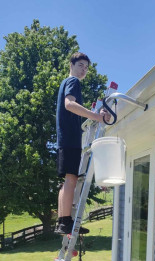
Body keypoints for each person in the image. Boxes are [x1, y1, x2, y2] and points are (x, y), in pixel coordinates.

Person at [55, 52, 110, 235]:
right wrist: (96, 116)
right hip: (70, 138)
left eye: (86, 67)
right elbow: (69, 104)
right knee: (71, 179)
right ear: (71, 65)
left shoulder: (65, 82)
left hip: (65, 138)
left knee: (67, 181)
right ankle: (66, 222)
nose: (83, 70)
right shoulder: (73, 82)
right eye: (80, 65)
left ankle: (62, 221)